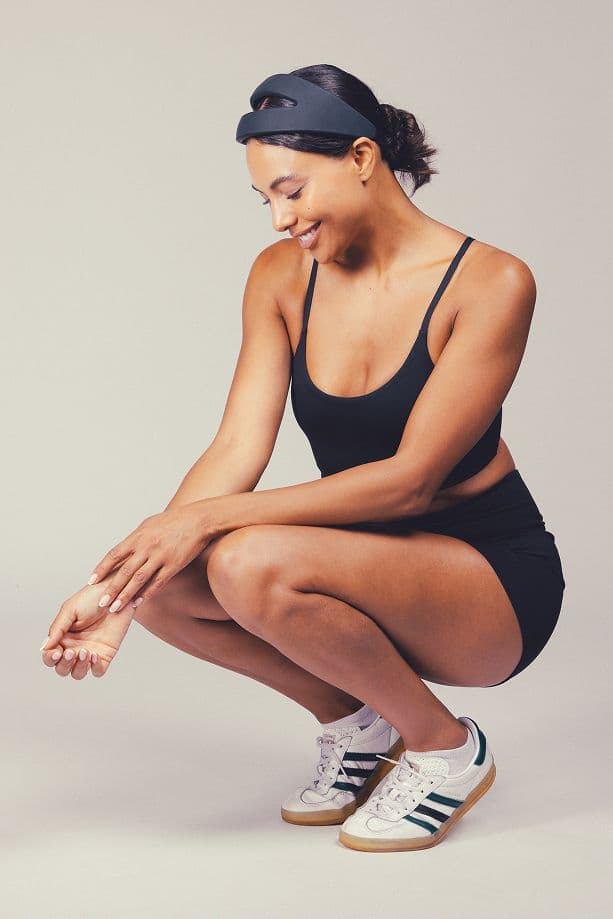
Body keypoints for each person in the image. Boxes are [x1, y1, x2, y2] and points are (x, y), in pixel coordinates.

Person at [40, 64, 566, 853]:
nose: (279, 220)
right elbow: (236, 447)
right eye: (266, 201)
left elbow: (410, 480)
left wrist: (201, 523)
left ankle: (445, 747)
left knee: (242, 558)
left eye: (290, 191)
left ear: (360, 158)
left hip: (487, 582)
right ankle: (358, 726)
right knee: (161, 583)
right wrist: (115, 590)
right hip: (354, 554)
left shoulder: (489, 281)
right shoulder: (281, 278)